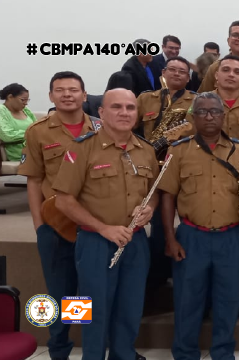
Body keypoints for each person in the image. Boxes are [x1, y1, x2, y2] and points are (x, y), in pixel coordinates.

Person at [52, 88, 159, 360]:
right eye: (117, 107)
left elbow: (154, 191)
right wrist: (103, 228)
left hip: (135, 243)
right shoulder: (81, 148)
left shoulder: (145, 150)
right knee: (93, 312)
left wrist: (150, 208)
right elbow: (63, 200)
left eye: (130, 108)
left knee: (130, 309)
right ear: (101, 112)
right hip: (95, 243)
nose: (124, 113)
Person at [159, 92, 239, 360]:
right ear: (193, 117)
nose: (209, 116)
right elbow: (168, 196)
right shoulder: (178, 150)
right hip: (191, 236)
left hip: (232, 237)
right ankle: (185, 354)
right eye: (203, 111)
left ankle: (223, 353)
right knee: (187, 302)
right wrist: (170, 239)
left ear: (223, 115)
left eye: (214, 111)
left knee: (228, 301)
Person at [17, 72, 97, 360]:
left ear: (84, 95)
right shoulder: (38, 131)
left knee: (85, 291)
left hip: (92, 225)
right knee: (57, 291)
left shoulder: (100, 129)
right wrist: (39, 225)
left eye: (74, 90)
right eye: (60, 90)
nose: (67, 95)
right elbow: (34, 180)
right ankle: (59, 350)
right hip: (54, 225)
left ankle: (91, 348)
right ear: (50, 96)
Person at [134, 56, 197, 294]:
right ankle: (155, 277)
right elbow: (130, 127)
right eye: (173, 69)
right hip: (147, 167)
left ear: (189, 78)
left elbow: (193, 129)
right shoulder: (145, 98)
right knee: (153, 221)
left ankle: (173, 270)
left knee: (177, 219)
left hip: (178, 165)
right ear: (164, 72)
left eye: (183, 72)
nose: (178, 74)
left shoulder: (196, 101)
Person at [0, 83, 36, 160]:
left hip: (36, 149)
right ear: (10, 97)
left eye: (27, 100)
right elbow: (7, 135)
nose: (26, 103)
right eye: (23, 100)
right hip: (19, 154)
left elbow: (38, 127)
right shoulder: (1, 110)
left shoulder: (25, 110)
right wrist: (32, 133)